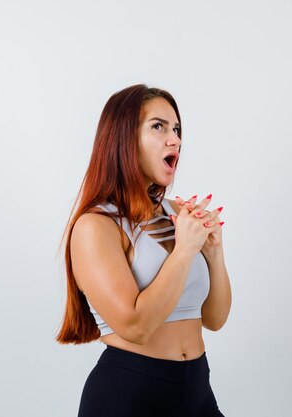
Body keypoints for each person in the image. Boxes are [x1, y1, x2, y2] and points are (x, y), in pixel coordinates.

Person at [56, 84, 232, 417]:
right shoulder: (96, 226)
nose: (175, 139)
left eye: (177, 129)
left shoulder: (178, 215)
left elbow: (214, 319)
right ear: (124, 139)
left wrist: (213, 253)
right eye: (159, 126)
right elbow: (136, 326)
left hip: (197, 390)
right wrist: (184, 251)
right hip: (129, 395)